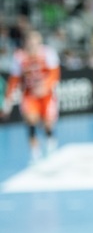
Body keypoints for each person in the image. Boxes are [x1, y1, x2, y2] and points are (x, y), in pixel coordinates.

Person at [2, 30, 61, 164]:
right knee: (31, 120)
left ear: (39, 43)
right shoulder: (19, 57)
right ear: (26, 43)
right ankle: (35, 153)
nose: (33, 45)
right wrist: (8, 100)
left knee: (47, 122)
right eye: (30, 42)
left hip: (47, 94)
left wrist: (45, 86)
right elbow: (14, 79)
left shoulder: (48, 53)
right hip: (30, 94)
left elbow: (55, 74)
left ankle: (50, 141)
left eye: (35, 42)